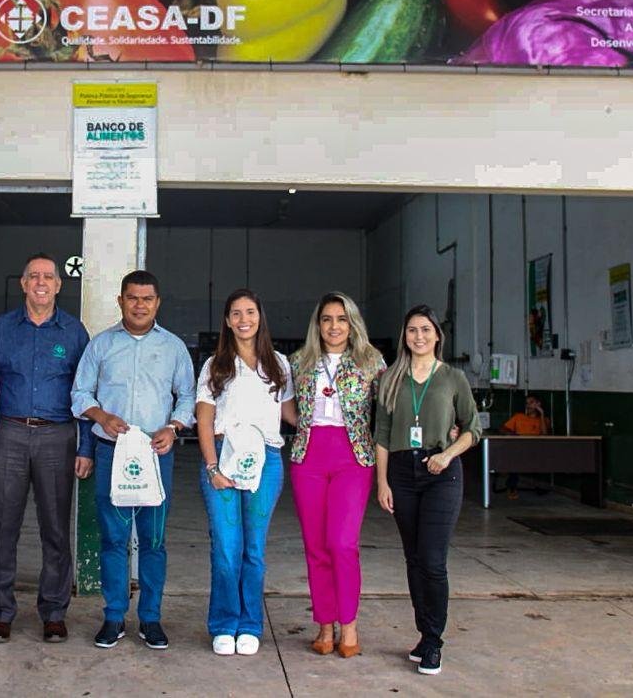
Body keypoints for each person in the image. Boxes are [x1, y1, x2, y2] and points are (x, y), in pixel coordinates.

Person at [71, 270, 196, 651]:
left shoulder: (173, 347)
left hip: (157, 453)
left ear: (157, 303)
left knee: (154, 540)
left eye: (147, 298)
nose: (139, 305)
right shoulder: (101, 345)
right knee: (114, 538)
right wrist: (101, 417)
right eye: (132, 298)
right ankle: (113, 617)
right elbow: (79, 393)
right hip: (111, 452)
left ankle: (151, 619)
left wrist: (173, 427)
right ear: (120, 300)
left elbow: (187, 396)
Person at [0, 253, 95, 643]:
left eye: (49, 276)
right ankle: (1, 613)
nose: (42, 282)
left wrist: (87, 447)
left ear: (59, 285)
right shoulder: (0, 329)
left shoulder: (74, 332)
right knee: (3, 526)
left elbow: (85, 394)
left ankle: (53, 612)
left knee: (56, 528)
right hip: (7, 434)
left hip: (57, 436)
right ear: (23, 283)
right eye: (34, 276)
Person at [375, 305, 482, 677]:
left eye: (425, 330)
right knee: (414, 559)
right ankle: (423, 635)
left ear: (437, 335)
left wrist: (449, 454)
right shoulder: (391, 379)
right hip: (402, 473)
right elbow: (383, 435)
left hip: (442, 473)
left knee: (433, 561)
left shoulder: (454, 378)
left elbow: (472, 428)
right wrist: (382, 482)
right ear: (404, 336)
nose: (418, 336)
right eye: (411, 330)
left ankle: (434, 641)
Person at [195, 289, 297, 657]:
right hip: (223, 455)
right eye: (235, 313)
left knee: (253, 549)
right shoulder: (214, 366)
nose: (243, 319)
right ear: (227, 320)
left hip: (266, 460)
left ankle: (250, 624)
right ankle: (224, 622)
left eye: (250, 312)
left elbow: (291, 415)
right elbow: (204, 420)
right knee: (226, 546)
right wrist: (211, 465)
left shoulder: (279, 364)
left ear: (260, 316)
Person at [288, 292, 385, 658]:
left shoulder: (372, 362)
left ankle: (349, 626)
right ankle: (323, 626)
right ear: (318, 325)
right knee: (316, 546)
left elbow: (392, 408)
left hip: (353, 457)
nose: (334, 326)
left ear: (352, 324)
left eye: (341, 319)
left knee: (342, 543)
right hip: (309, 457)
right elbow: (280, 404)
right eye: (327, 319)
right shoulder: (298, 362)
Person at [498, 395, 550, 499]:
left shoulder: (544, 420)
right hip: (518, 448)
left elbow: (545, 434)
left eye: (531, 402)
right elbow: (503, 429)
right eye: (527, 403)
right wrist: (512, 434)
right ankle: (512, 487)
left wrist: (542, 413)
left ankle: (540, 485)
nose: (528, 405)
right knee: (514, 457)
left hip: (535, 450)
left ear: (538, 404)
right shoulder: (519, 417)